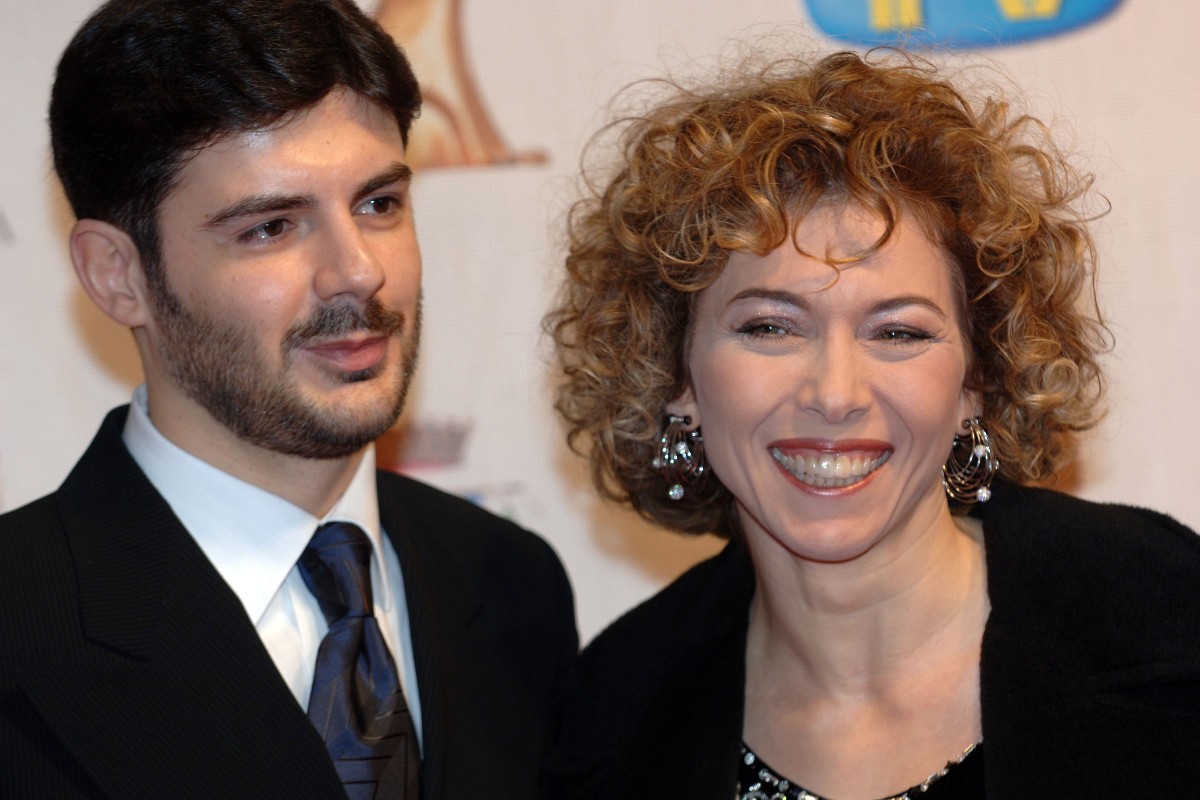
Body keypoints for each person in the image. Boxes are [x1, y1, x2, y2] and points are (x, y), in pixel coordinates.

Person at [545, 50, 1200, 798]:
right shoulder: (612, 717)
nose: (835, 393)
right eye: (769, 327)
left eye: (898, 333)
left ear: (976, 384)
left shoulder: (1166, 620)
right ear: (677, 378)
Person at [0, 1, 577, 797]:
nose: (357, 272)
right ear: (117, 275)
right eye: (271, 227)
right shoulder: (20, 629)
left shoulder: (511, 586)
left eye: (379, 204)